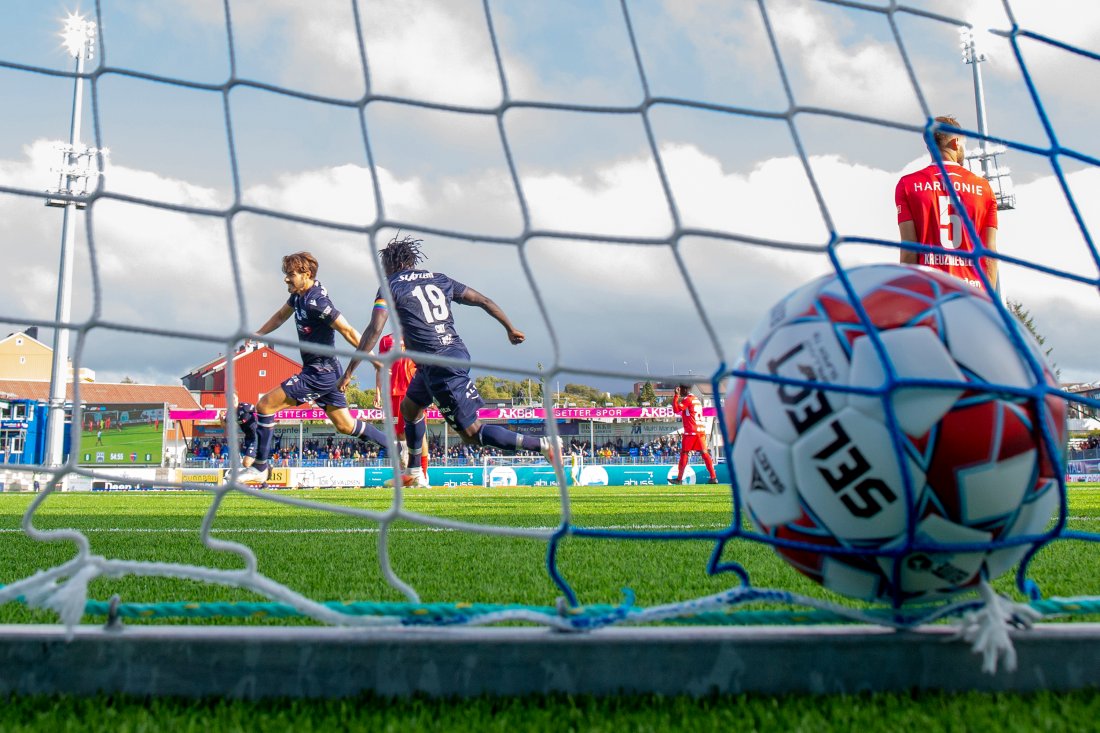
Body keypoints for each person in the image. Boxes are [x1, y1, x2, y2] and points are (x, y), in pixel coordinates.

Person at [337, 234, 562, 488]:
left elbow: (374, 329)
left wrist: (349, 372)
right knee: (410, 409)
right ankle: (414, 472)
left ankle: (543, 445)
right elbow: (483, 301)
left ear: (391, 265)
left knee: (472, 434)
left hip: (439, 364)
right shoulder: (439, 278)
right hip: (445, 357)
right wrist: (509, 328)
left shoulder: (391, 285)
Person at [237, 251, 388, 484]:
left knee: (265, 405)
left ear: (306, 274)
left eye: (290, 275)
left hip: (318, 373)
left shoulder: (316, 302)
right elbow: (279, 316)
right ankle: (394, 447)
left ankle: (260, 467)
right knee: (345, 425)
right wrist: (257, 334)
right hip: (327, 371)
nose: (286, 279)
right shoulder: (299, 295)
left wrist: (375, 359)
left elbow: (347, 330)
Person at [895, 115, 999, 292]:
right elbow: (989, 253)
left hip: (929, 291)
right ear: (956, 142)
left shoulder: (908, 184)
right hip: (970, 293)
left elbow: (909, 251)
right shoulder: (984, 188)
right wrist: (987, 301)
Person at [376, 333, 430, 485]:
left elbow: (426, 364)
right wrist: (378, 391)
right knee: (399, 432)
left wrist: (429, 389)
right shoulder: (385, 340)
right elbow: (380, 367)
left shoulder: (416, 332)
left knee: (420, 433)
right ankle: (408, 470)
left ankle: (423, 475)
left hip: (413, 390)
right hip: (393, 392)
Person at [669, 384, 717, 485]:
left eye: (680, 389)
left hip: (691, 431)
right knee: (705, 454)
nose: (680, 391)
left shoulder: (688, 399)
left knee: (684, 454)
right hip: (700, 431)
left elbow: (676, 410)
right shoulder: (697, 400)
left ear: (685, 389)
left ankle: (679, 479)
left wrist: (676, 396)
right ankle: (713, 478)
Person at [221, 394, 259, 471]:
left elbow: (259, 409)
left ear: (237, 399)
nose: (233, 400)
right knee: (246, 463)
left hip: (256, 436)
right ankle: (262, 467)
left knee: (246, 463)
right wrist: (221, 419)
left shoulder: (244, 407)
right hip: (247, 437)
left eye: (234, 398)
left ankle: (264, 466)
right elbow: (225, 427)